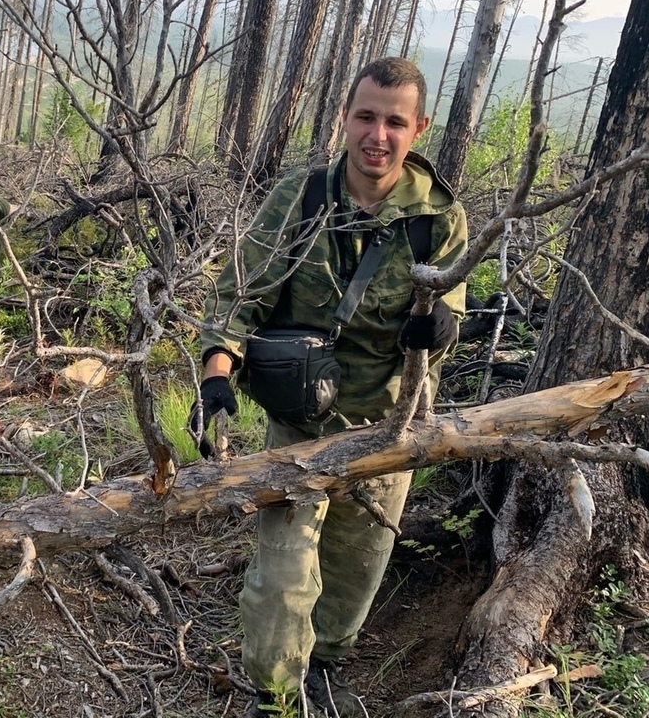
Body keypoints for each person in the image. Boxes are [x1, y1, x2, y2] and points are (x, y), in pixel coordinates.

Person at [194, 57, 468, 717]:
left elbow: (453, 301)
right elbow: (240, 294)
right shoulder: (301, 198)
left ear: (418, 127)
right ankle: (276, 694)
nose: (378, 134)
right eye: (366, 116)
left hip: (387, 427)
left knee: (356, 570)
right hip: (300, 423)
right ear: (345, 118)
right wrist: (216, 377)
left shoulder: (439, 216)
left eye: (395, 122)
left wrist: (440, 327)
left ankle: (324, 666)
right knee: (281, 581)